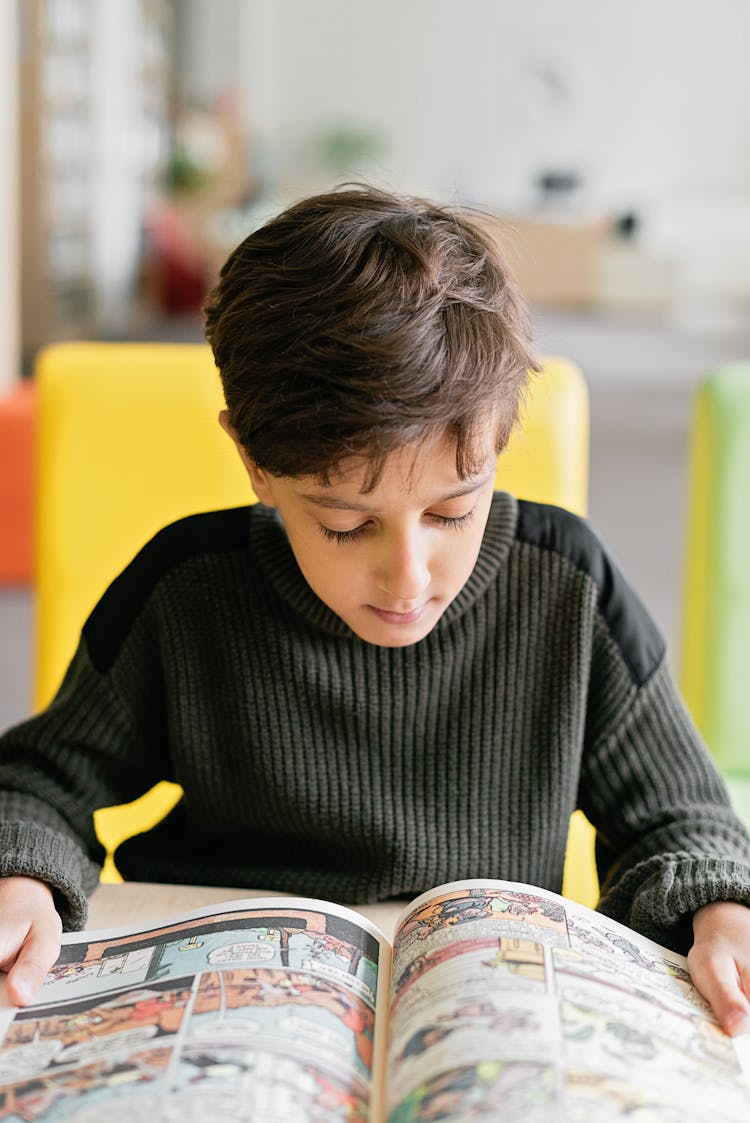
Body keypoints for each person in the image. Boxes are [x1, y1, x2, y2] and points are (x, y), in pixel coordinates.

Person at [1, 185, 750, 1035]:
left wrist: (720, 908)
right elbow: (37, 782)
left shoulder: (569, 590)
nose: (409, 577)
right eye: (346, 525)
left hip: (476, 1003)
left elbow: (682, 818)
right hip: (226, 1003)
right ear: (254, 462)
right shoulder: (185, 589)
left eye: (450, 513)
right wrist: (22, 874)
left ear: (500, 441)